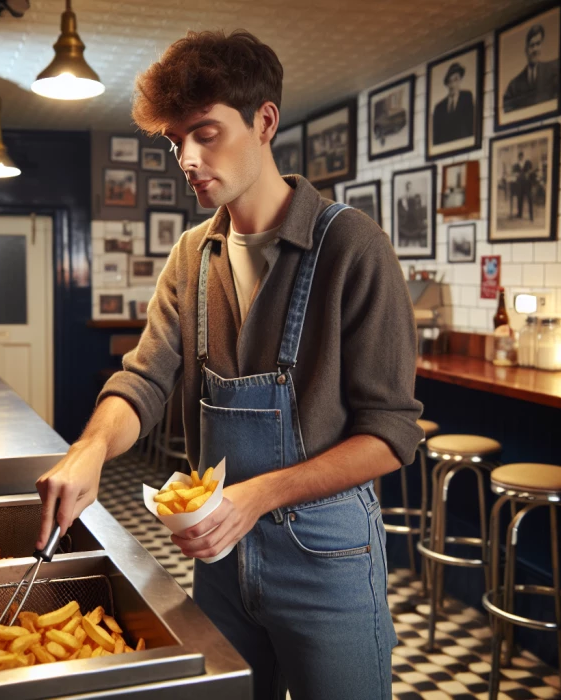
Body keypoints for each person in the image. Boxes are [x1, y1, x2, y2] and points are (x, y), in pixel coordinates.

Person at [35, 29, 423, 700]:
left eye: (205, 133)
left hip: (326, 564)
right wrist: (91, 447)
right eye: (175, 140)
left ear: (264, 121)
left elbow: (390, 434)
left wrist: (257, 497)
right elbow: (145, 378)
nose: (186, 157)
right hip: (219, 561)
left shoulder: (351, 247)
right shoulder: (192, 256)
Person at [503, 24, 559, 113]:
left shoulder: (553, 70)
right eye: (531, 45)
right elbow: (507, 111)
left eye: (538, 44)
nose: (535, 49)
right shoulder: (514, 85)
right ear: (526, 49)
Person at [432, 62, 474, 145]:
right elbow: (436, 137)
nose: (453, 84)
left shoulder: (467, 97)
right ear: (447, 84)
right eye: (450, 81)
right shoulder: (439, 107)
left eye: (455, 80)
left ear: (460, 80)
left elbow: (470, 125)